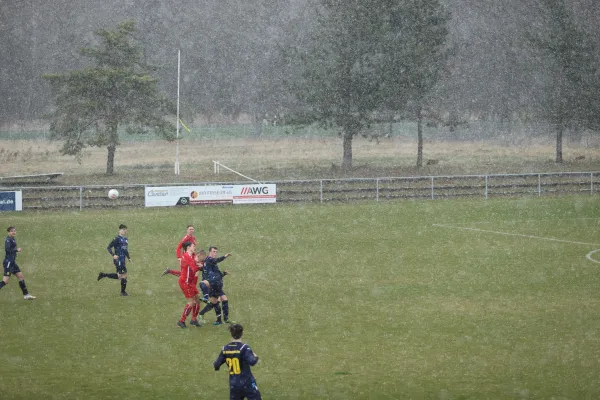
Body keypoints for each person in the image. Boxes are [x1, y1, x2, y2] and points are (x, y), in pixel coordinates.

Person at [214, 323, 261, 400]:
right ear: (242, 333)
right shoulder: (244, 347)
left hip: (234, 384)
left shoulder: (225, 348)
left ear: (231, 334)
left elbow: (216, 365)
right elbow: (252, 362)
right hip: (247, 383)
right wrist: (255, 356)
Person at [198, 246, 233, 325]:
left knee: (214, 303)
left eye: (216, 252)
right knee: (221, 300)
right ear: (210, 252)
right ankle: (223, 319)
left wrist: (224, 273)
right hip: (213, 286)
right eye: (213, 251)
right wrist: (225, 256)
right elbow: (216, 260)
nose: (215, 253)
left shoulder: (212, 263)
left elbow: (216, 274)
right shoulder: (210, 260)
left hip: (217, 285)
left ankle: (220, 319)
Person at [0, 226, 36, 299]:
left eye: (14, 231)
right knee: (5, 281)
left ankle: (26, 295)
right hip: (8, 263)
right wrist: (17, 250)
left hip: (13, 263)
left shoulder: (13, 239)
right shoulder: (8, 240)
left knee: (21, 277)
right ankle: (26, 295)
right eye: (12, 231)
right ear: (8, 232)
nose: (14, 232)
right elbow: (8, 250)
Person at [98, 224, 131, 296]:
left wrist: (129, 258)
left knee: (120, 276)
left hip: (123, 260)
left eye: (125, 229)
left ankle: (103, 275)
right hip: (118, 260)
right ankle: (122, 292)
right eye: (123, 229)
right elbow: (108, 247)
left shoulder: (125, 239)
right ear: (120, 230)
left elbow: (125, 250)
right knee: (124, 275)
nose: (125, 231)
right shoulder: (117, 239)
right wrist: (113, 255)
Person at [177, 242, 203, 328]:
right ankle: (181, 321)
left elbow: (196, 260)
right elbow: (194, 269)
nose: (195, 247)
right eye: (193, 246)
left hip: (190, 282)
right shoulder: (187, 256)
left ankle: (194, 319)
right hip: (185, 282)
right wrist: (201, 267)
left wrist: (200, 262)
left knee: (197, 299)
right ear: (188, 247)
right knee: (191, 302)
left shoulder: (192, 255)